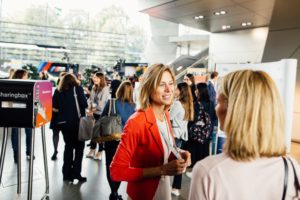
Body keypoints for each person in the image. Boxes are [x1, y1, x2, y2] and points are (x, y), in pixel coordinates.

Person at [189, 69, 300, 200]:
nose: (216, 108)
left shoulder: (208, 172)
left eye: (219, 102)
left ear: (234, 110)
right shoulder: (292, 168)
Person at [110, 63, 191, 200]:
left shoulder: (165, 114)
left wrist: (180, 153)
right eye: (161, 84)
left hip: (162, 191)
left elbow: (162, 148)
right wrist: (161, 170)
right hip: (144, 194)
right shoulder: (137, 122)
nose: (168, 89)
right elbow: (116, 172)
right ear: (149, 87)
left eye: (171, 83)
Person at [102, 81, 136, 200]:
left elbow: (102, 118)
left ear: (119, 90)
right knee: (121, 166)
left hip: (111, 138)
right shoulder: (134, 107)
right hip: (126, 141)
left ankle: (113, 192)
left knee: (109, 165)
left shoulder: (111, 103)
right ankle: (115, 191)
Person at [52, 73, 88, 182]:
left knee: (68, 148)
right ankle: (76, 173)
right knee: (79, 149)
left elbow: (54, 107)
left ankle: (66, 174)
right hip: (77, 124)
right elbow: (84, 104)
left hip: (64, 124)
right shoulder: (78, 89)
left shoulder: (58, 91)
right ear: (74, 80)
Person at [170, 82, 194, 196]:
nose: (174, 91)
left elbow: (168, 117)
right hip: (183, 136)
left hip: (175, 135)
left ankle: (174, 187)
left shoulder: (177, 104)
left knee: (172, 161)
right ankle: (176, 187)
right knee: (178, 162)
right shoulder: (188, 104)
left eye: (176, 89)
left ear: (181, 91)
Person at [11, 69, 33, 163]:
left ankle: (29, 152)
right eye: (26, 75)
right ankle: (16, 152)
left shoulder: (29, 86)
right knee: (15, 134)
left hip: (27, 114)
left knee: (29, 133)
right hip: (15, 114)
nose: (27, 77)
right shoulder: (12, 85)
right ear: (20, 76)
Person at [86, 72, 110, 160]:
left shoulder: (105, 89)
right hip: (93, 112)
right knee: (92, 131)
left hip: (101, 114)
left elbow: (102, 103)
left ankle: (100, 151)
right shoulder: (94, 87)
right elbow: (90, 99)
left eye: (96, 78)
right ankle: (92, 149)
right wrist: (89, 109)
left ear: (101, 79)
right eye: (94, 77)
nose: (94, 79)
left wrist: (92, 110)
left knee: (99, 133)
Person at [49, 71, 66, 160]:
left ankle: (66, 152)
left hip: (64, 115)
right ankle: (55, 150)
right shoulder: (57, 90)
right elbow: (52, 102)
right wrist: (52, 108)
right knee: (55, 133)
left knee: (65, 135)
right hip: (56, 115)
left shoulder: (71, 90)